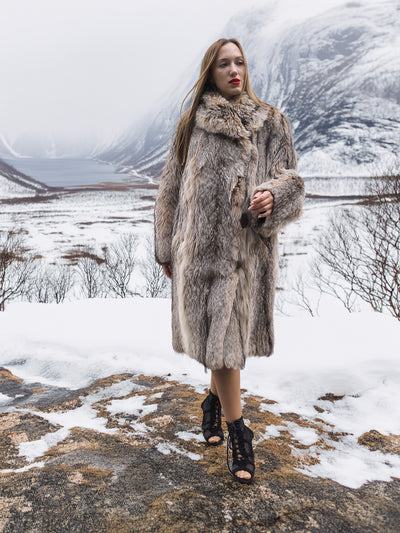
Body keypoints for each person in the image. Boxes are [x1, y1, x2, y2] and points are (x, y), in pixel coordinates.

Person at [154, 38, 304, 484]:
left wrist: (272, 197)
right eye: (224, 64)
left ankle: (215, 404)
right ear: (210, 72)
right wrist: (166, 247)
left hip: (246, 255)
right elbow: (170, 190)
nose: (234, 70)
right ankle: (240, 434)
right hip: (197, 255)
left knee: (224, 345)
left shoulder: (272, 122)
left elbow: (292, 181)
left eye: (239, 62)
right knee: (218, 345)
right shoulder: (191, 124)